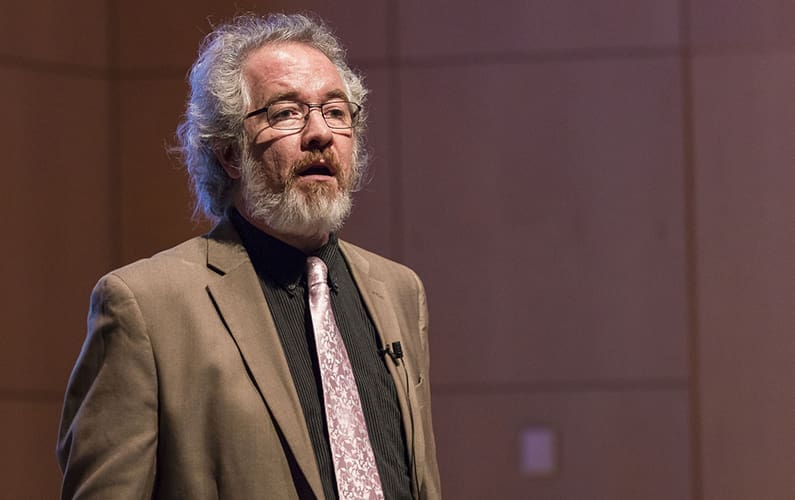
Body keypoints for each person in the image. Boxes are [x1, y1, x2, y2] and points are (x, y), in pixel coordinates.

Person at [57, 13, 441, 500]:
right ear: (228, 153)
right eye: (285, 113)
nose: (320, 133)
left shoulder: (399, 291)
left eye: (336, 111)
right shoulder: (145, 307)